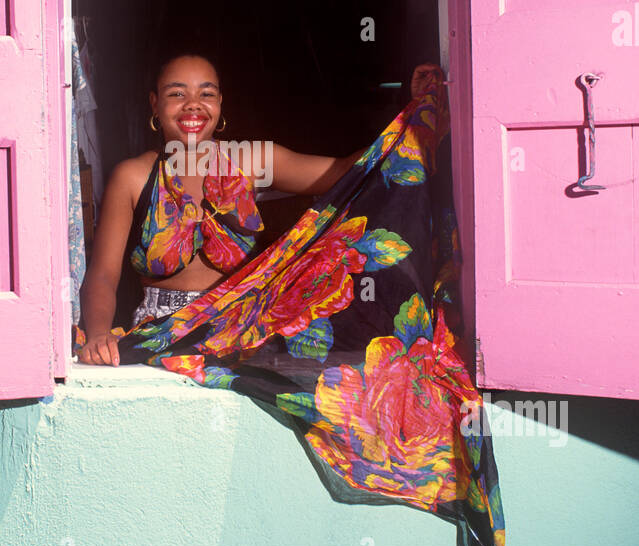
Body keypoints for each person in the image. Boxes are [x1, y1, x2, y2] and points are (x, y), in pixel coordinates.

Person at [77, 52, 442, 366]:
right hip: (159, 340)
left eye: (206, 93)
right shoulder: (133, 177)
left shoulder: (252, 161)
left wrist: (411, 112)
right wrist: (97, 335)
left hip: (241, 339)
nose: (193, 104)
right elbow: (103, 275)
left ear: (220, 104)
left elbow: (345, 173)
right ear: (155, 104)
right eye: (177, 94)